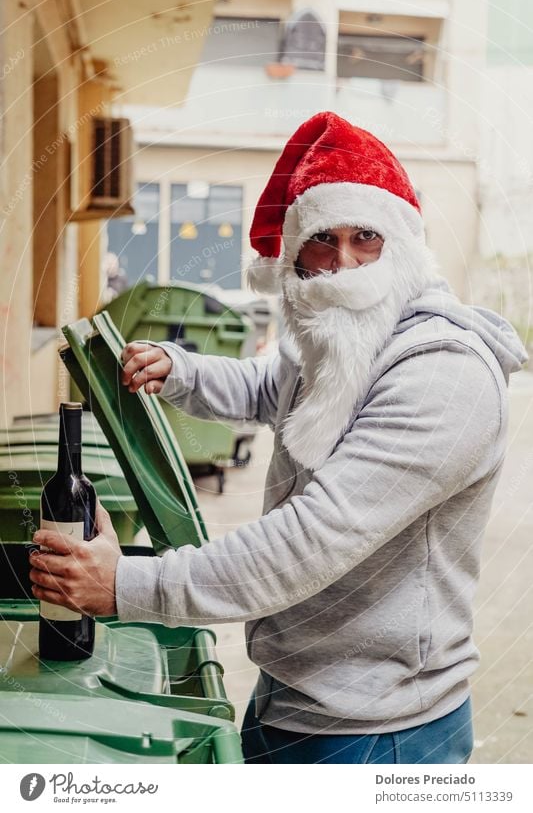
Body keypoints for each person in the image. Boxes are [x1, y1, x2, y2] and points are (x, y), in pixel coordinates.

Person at [30, 111, 528, 764]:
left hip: (381, 730)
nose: (342, 263)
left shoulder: (443, 375)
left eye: (366, 238)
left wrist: (126, 584)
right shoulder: (341, 341)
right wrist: (183, 370)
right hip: (294, 690)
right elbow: (277, 389)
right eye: (321, 239)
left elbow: (312, 539)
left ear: (403, 246)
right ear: (293, 254)